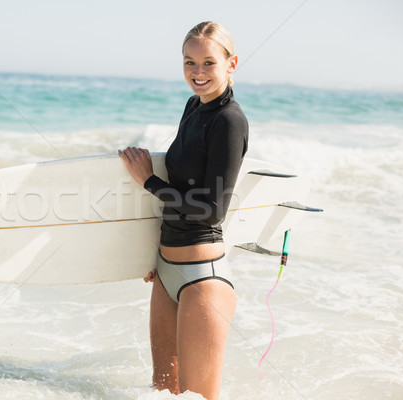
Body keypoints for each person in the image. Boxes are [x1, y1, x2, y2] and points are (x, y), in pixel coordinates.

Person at [118, 21, 248, 400]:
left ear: (231, 63)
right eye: (189, 63)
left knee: (197, 398)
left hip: (201, 279)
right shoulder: (193, 106)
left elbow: (212, 210)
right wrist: (151, 256)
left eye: (208, 63)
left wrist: (149, 182)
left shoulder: (229, 120)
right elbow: (185, 185)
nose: (198, 73)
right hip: (165, 271)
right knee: (162, 392)